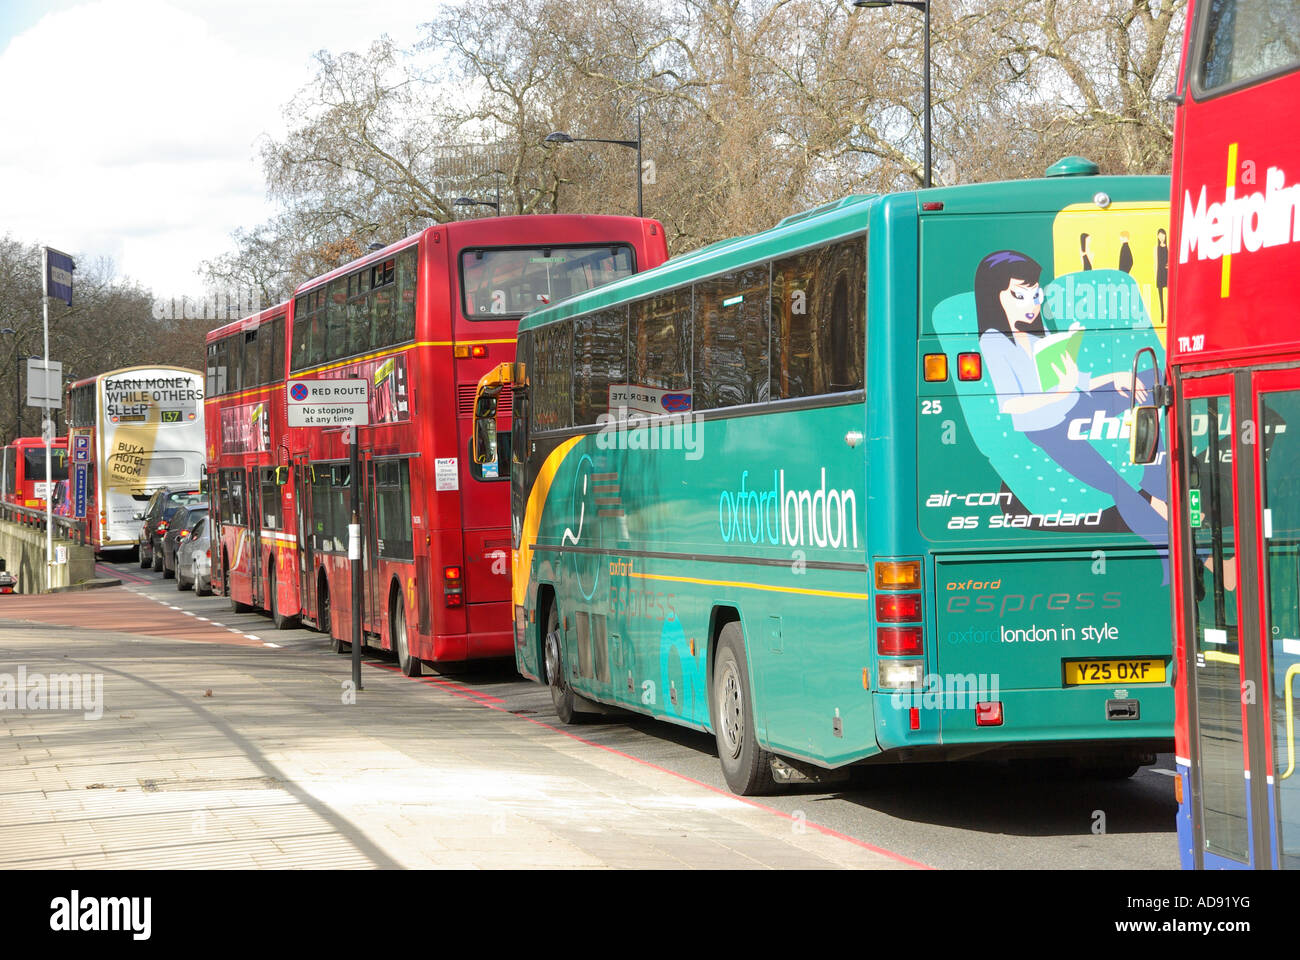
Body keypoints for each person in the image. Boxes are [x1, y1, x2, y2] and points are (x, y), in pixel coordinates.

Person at [975, 250, 1169, 548]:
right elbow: (1011, 404)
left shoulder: (1038, 338)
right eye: (1019, 295)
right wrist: (1058, 394)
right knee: (1118, 488)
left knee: (1154, 376)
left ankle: (1157, 489)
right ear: (995, 295)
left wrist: (1117, 376)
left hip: (1076, 404)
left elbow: (1082, 381)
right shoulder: (993, 341)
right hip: (1047, 429)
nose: (1032, 304)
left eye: (1035, 294)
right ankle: (1202, 557)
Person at [1154, 228, 1169, 325]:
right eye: (1159, 235)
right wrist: (1155, 275)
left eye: (1162, 235)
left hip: (1167, 273)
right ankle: (1162, 316)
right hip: (1160, 273)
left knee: (1169, 296)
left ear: (1165, 235)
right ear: (1157, 236)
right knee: (1160, 298)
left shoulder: (1168, 247)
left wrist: (1169, 266)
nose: (1161, 237)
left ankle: (1168, 315)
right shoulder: (1155, 248)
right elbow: (1155, 263)